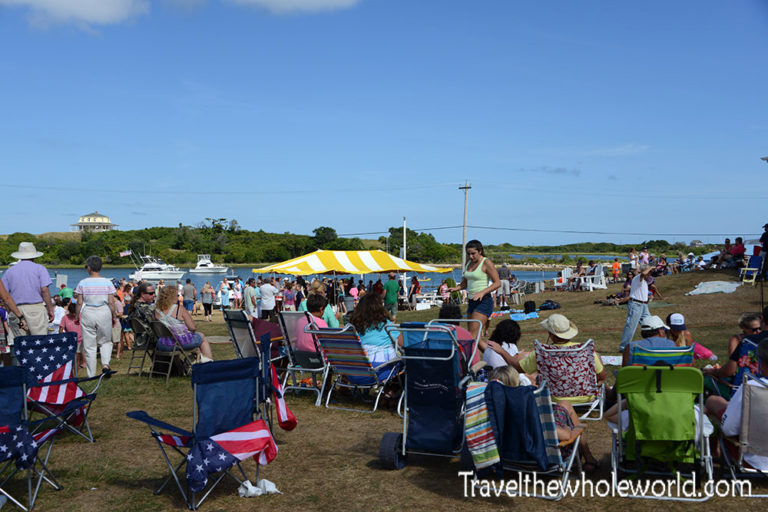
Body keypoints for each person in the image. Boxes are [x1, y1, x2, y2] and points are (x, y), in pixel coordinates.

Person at [488, 365, 599, 472]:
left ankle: (589, 458)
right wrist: (570, 429)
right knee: (565, 406)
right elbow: (566, 436)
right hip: (540, 459)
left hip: (507, 457)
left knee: (563, 404)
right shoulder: (527, 413)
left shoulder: (489, 416)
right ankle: (589, 458)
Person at [510, 314, 606, 402]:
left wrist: (502, 352)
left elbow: (519, 368)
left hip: (554, 399)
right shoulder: (586, 351)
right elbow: (602, 376)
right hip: (585, 398)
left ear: (551, 334)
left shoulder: (542, 353)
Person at [705, 341, 768, 470]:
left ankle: (712, 452)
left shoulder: (750, 388)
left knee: (714, 402)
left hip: (754, 459)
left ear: (762, 363)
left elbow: (729, 429)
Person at [447, 240, 501, 343]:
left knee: (471, 336)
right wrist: (456, 288)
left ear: (480, 251)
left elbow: (497, 283)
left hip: (484, 302)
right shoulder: (468, 263)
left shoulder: (486, 262)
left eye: (473, 253)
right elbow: (465, 283)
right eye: (468, 254)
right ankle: (492, 356)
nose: (471, 256)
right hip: (471, 302)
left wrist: (482, 292)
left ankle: (467, 359)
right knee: (475, 339)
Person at [73, 255, 117, 378]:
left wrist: (76, 316)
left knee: (89, 344)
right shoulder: (107, 282)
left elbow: (80, 302)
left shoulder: (83, 283)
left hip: (88, 311)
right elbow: (111, 302)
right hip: (103, 311)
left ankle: (91, 373)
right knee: (106, 341)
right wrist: (113, 315)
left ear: (89, 267)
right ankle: (105, 364)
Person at [1, 242, 54, 337]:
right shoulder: (40, 269)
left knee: (20, 344)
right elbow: (44, 290)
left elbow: (5, 295)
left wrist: (9, 310)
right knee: (39, 343)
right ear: (34, 256)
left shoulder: (9, 271)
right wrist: (50, 309)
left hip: (16, 309)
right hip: (36, 309)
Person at [153, 286, 214, 362]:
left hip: (163, 343)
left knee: (194, 339)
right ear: (171, 297)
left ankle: (195, 358)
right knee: (201, 336)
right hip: (181, 342)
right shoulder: (179, 309)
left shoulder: (156, 311)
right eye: (177, 295)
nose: (178, 297)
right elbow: (192, 328)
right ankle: (208, 362)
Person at [348, 293, 400, 370]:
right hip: (381, 369)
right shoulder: (386, 325)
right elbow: (403, 343)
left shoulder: (355, 327)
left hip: (356, 371)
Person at [618, 264, 655, 351]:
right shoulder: (638, 277)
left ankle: (652, 344)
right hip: (636, 304)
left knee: (650, 325)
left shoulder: (644, 281)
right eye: (649, 273)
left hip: (644, 305)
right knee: (631, 326)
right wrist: (650, 268)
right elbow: (643, 274)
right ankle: (624, 347)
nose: (650, 274)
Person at [128, 282, 156, 348]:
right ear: (143, 294)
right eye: (151, 293)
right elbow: (155, 323)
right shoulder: (145, 308)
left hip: (139, 340)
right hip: (149, 340)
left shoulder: (134, 306)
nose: (154, 295)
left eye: (154, 293)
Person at [59, 300, 85, 369]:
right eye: (73, 313)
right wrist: (62, 338)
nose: (74, 315)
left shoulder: (81, 316)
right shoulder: (65, 318)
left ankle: (75, 374)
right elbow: (61, 329)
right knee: (70, 358)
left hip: (79, 340)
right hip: (69, 341)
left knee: (77, 357)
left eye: (75, 313)